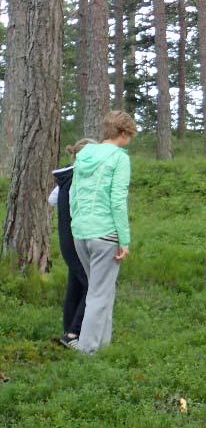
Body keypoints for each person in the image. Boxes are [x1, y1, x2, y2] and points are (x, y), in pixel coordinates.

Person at [69, 111, 137, 353]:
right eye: (130, 135)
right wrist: (124, 240)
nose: (130, 140)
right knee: (98, 294)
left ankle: (103, 347)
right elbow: (118, 201)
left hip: (81, 233)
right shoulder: (119, 158)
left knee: (103, 290)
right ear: (122, 133)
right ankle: (87, 350)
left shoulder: (84, 153)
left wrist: (77, 223)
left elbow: (73, 194)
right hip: (105, 234)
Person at [48, 138, 97, 348]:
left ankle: (68, 331)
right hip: (78, 239)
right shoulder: (79, 177)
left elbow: (52, 200)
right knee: (91, 284)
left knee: (76, 285)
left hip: (67, 241)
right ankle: (74, 333)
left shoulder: (66, 177)